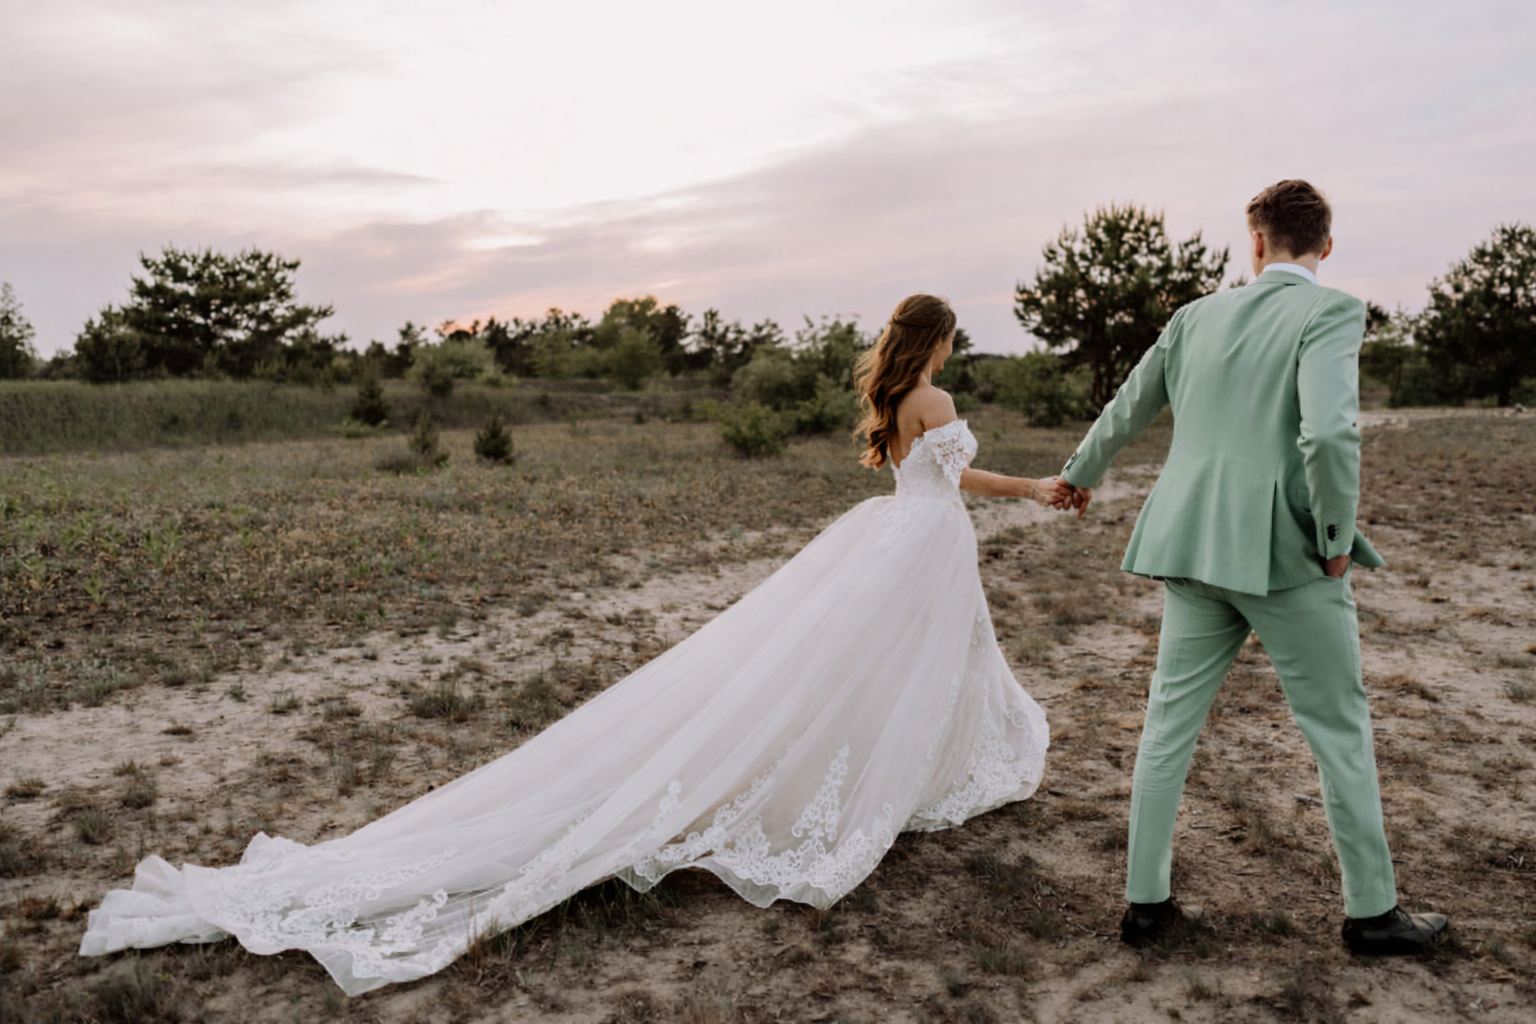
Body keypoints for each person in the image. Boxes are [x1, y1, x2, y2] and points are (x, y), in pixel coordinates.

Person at [81, 294, 1057, 995]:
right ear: (936, 341)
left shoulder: (892, 406)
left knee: (891, 662)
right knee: (907, 661)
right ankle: (887, 775)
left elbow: (930, 480)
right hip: (920, 543)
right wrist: (1043, 489)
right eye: (951, 338)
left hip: (895, 539)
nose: (951, 350)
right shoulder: (934, 402)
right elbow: (967, 482)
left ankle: (900, 766)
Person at [1056, 180, 1449, 954]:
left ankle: (1145, 904)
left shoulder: (1193, 316)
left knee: (1167, 725)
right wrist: (1336, 536)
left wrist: (1080, 473)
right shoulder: (1331, 310)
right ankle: (1372, 914)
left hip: (1191, 545)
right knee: (1338, 728)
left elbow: (1128, 405)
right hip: (1286, 556)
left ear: (1256, 242)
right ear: (1325, 246)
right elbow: (1331, 437)